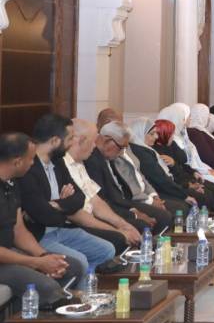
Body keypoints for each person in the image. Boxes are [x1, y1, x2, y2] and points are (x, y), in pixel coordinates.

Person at [17, 114, 116, 276]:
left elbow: (79, 198)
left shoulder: (58, 161)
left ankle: (85, 286)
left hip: (61, 229)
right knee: (80, 261)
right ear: (55, 141)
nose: (71, 144)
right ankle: (74, 290)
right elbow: (43, 215)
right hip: (40, 235)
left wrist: (55, 204)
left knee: (106, 250)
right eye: (70, 139)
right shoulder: (28, 167)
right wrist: (64, 206)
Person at [0, 133, 83, 309]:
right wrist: (37, 263)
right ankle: (25, 321)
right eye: (31, 159)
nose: (33, 163)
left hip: (10, 253)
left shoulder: (12, 184)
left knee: (71, 267)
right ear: (17, 162)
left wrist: (44, 256)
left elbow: (19, 230)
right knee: (47, 287)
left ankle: (50, 308)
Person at [61, 120, 143, 253]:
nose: (95, 146)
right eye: (93, 141)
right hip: (74, 224)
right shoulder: (62, 165)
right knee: (119, 239)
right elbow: (77, 215)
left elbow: (96, 201)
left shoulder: (79, 163)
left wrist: (123, 225)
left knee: (130, 230)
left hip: (90, 218)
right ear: (81, 140)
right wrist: (117, 231)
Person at [158, 103, 214, 200]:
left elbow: (194, 159)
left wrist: (206, 170)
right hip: (189, 175)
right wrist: (200, 174)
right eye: (185, 118)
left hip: (196, 172)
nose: (189, 119)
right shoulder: (179, 138)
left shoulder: (184, 135)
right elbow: (189, 162)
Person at [128, 118, 214, 209]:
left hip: (171, 185)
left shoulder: (146, 148)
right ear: (140, 134)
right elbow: (161, 180)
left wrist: (188, 184)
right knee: (191, 202)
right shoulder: (143, 154)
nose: (156, 136)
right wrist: (185, 193)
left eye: (156, 133)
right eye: (152, 134)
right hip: (160, 190)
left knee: (206, 193)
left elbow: (181, 164)